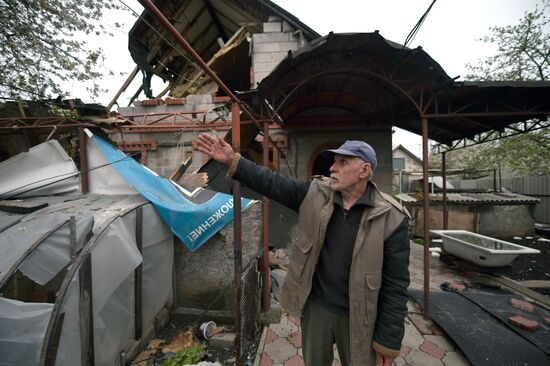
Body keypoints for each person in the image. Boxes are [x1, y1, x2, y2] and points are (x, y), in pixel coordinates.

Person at [197, 134, 410, 366]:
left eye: (342, 162)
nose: (332, 168)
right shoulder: (316, 194)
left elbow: (395, 286)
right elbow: (272, 182)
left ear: (364, 171)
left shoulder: (392, 218)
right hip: (318, 307)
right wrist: (232, 160)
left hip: (361, 315)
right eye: (334, 161)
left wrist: (387, 343)